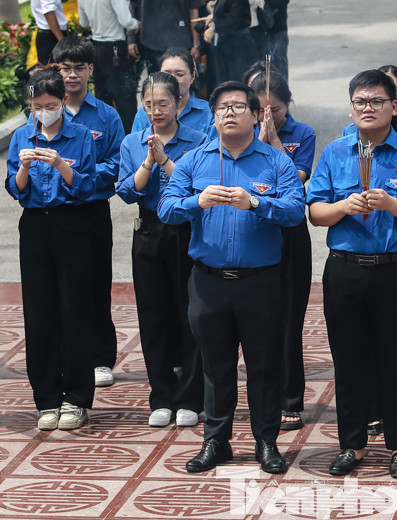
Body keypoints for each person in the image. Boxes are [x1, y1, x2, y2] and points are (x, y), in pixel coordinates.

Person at [159, 81, 306, 474]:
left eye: (239, 106)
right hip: (208, 282)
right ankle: (216, 440)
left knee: (264, 364)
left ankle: (266, 441)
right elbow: (167, 208)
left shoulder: (276, 162)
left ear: (257, 114)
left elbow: (295, 211)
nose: (229, 113)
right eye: (222, 107)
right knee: (215, 364)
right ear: (213, 115)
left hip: (261, 282)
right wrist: (197, 201)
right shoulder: (193, 161)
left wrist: (257, 202)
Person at [309, 69, 397, 479]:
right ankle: (352, 443)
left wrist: (391, 203)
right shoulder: (335, 153)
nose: (368, 108)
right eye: (360, 102)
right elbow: (315, 213)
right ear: (351, 108)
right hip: (345, 270)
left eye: (376, 101)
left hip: (396, 271)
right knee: (350, 359)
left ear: (394, 106)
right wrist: (344, 207)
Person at [6, 69, 97, 430]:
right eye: (38, 106)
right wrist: (25, 167)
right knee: (40, 312)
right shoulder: (21, 137)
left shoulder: (80, 136)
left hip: (72, 225)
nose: (44, 111)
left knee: (75, 311)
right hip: (35, 226)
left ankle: (77, 398)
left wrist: (60, 164)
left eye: (52, 105)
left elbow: (87, 186)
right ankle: (46, 398)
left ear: (63, 102)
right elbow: (16, 189)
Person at [119, 73, 208, 427]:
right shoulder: (132, 142)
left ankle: (190, 395)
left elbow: (197, 188)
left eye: (163, 104)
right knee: (153, 314)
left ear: (179, 104)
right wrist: (148, 161)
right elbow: (127, 191)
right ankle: (161, 394)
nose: (156, 111)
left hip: (186, 231)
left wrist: (166, 160)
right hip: (148, 231)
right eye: (149, 105)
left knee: (190, 314)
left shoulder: (198, 140)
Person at [51, 36, 128, 390]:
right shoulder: (46, 111)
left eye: (79, 68)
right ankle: (64, 352)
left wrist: (80, 177)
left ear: (91, 70)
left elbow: (117, 163)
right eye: (65, 68)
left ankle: (100, 357)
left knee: (96, 283)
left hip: (92, 209)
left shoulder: (107, 115)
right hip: (53, 212)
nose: (71, 75)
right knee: (57, 289)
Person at [247, 70, 315, 433]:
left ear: (288, 105)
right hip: (256, 230)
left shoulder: (302, 134)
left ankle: (290, 398)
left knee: (290, 318)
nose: (266, 116)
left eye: (275, 109)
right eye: (259, 110)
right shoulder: (242, 133)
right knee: (259, 319)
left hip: (290, 232)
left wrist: (271, 141)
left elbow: (295, 179)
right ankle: (260, 396)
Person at [74, 0, 140, 131]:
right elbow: (126, 21)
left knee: (102, 95)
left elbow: (84, 22)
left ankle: (104, 133)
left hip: (96, 48)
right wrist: (137, 24)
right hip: (115, 48)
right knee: (124, 96)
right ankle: (128, 134)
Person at [203, 0, 258, 84]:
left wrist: (215, 29)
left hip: (238, 48)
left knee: (237, 85)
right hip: (229, 47)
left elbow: (238, 19)